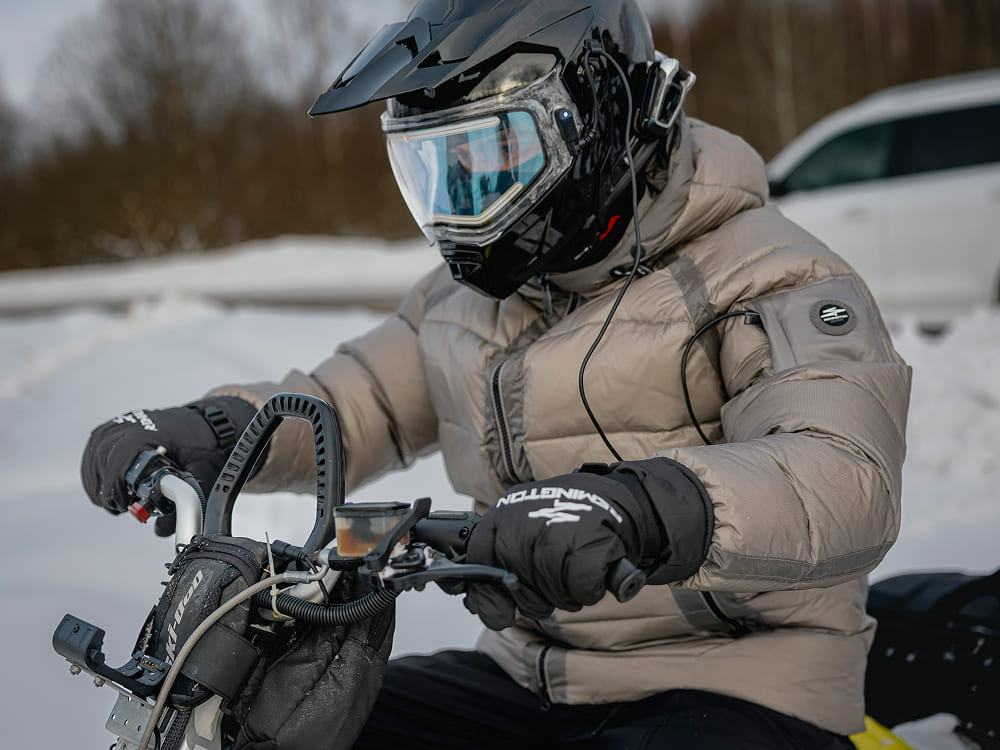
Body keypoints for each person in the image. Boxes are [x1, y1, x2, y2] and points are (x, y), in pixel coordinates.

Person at [80, 1, 912, 748]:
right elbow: (351, 405)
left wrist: (642, 505)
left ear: (596, 119)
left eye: (493, 158)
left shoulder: (767, 273)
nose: (464, 205)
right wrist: (209, 431)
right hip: (527, 680)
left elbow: (843, 471)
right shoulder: (464, 303)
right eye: (437, 172)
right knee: (276, 727)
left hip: (737, 682)